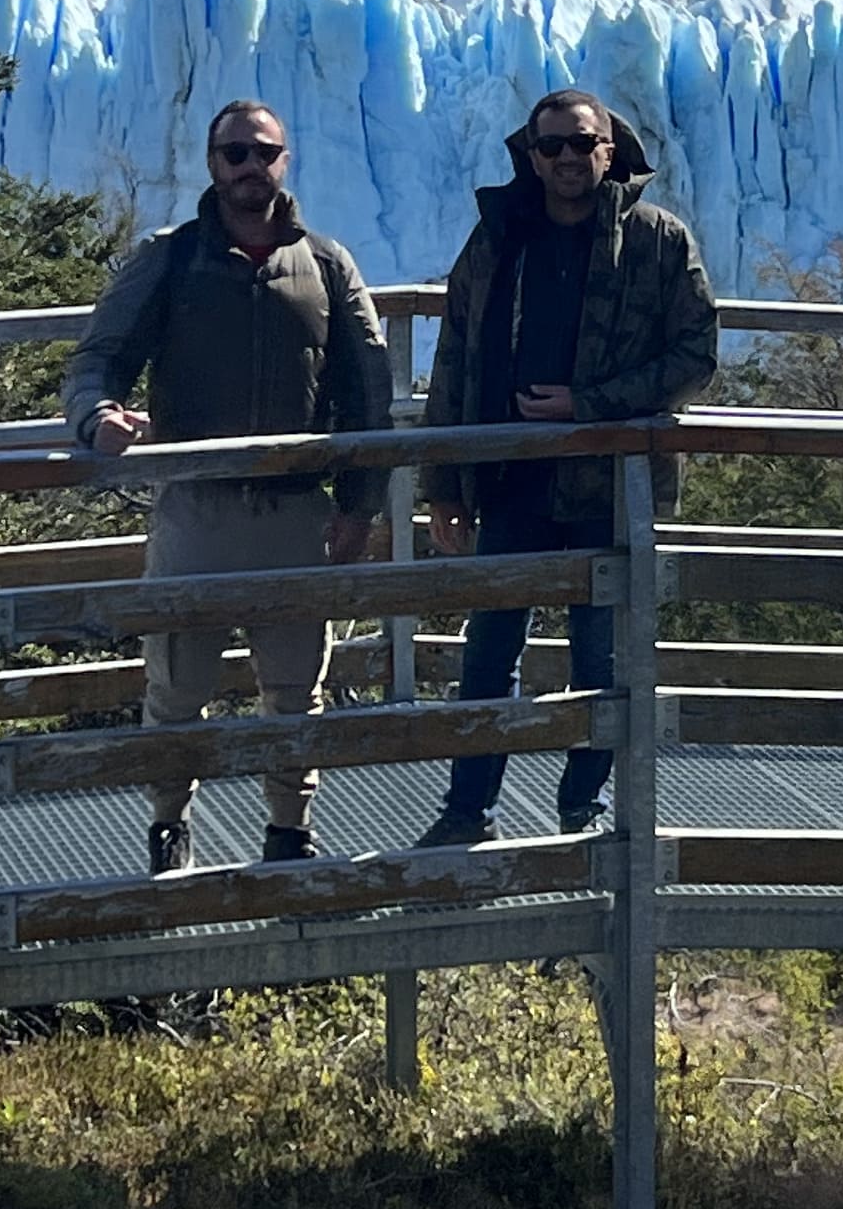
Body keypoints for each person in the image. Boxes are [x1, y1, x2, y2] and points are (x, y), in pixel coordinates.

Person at [61, 98, 390, 872]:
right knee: (176, 687)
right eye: (235, 153)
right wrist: (95, 416)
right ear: (212, 162)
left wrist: (360, 505)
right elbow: (97, 359)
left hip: (294, 515)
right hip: (195, 511)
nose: (251, 167)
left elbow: (367, 391)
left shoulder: (329, 265)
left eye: (264, 153)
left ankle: (289, 832)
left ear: (287, 159)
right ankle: (170, 830)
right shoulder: (168, 258)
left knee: (295, 689)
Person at [408, 88, 718, 850]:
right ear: (531, 155)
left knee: (603, 661)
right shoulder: (498, 241)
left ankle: (582, 807)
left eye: (584, 143)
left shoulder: (657, 241)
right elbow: (453, 361)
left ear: (611, 150)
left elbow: (695, 356)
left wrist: (590, 403)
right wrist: (443, 484)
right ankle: (467, 813)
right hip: (511, 478)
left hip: (609, 486)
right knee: (488, 656)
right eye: (553, 147)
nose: (569, 158)